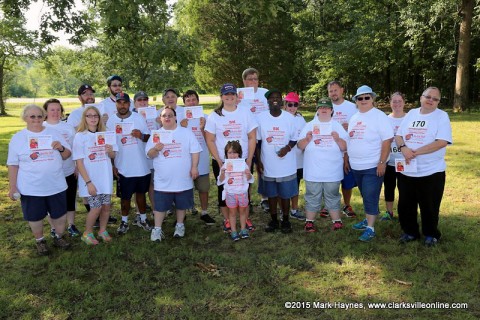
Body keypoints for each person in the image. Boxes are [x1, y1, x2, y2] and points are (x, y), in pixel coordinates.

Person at [7, 104, 71, 255]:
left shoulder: (54, 133)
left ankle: (58, 236)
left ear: (44, 117)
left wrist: (61, 148)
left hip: (56, 184)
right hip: (31, 187)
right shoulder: (18, 138)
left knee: (60, 216)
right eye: (32, 116)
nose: (36, 119)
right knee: (35, 217)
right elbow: (13, 164)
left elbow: (67, 155)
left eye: (39, 116)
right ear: (25, 118)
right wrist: (12, 187)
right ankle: (40, 241)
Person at [395, 87, 452, 246]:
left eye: (435, 99)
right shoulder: (412, 113)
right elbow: (398, 135)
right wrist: (404, 149)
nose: (431, 100)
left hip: (431, 171)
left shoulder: (441, 116)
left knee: (430, 206)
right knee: (406, 204)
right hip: (408, 169)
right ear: (421, 97)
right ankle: (410, 232)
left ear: (438, 102)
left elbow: (442, 141)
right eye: (428, 96)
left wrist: (416, 152)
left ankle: (431, 234)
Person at [205, 83, 258, 233]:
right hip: (223, 161)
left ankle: (245, 219)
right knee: (224, 189)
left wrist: (249, 159)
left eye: (232, 94)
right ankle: (228, 220)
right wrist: (220, 160)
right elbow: (210, 139)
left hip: (242, 161)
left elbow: (252, 137)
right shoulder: (214, 115)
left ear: (236, 96)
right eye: (226, 95)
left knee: (244, 190)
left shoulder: (245, 112)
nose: (229, 97)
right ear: (221, 97)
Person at [147, 106, 201, 241]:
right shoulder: (156, 134)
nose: (167, 118)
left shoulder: (186, 132)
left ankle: (180, 225)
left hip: (183, 178)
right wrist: (155, 149)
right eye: (164, 116)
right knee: (160, 207)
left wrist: (194, 167)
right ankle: (157, 229)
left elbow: (195, 151)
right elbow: (149, 154)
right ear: (160, 119)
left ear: (175, 117)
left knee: (181, 204)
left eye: (170, 115)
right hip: (163, 180)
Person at [348, 85, 394, 242]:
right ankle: (368, 219)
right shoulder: (354, 118)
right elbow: (351, 139)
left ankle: (371, 228)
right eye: (359, 98)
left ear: (372, 99)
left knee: (370, 195)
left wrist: (382, 162)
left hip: (373, 165)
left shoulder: (379, 116)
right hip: (356, 166)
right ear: (356, 101)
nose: (363, 100)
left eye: (366, 97)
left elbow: (387, 140)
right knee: (365, 194)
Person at [297, 98, 348, 232]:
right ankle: (309, 222)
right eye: (321, 107)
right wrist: (307, 139)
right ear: (317, 110)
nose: (324, 110)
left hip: (333, 171)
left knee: (332, 195)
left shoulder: (337, 126)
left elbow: (345, 147)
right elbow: (299, 145)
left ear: (331, 110)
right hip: (313, 170)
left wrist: (337, 139)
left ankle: (336, 221)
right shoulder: (309, 125)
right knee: (312, 195)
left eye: (326, 108)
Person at [106, 92, 152, 235]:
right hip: (123, 166)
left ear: (129, 104)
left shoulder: (138, 118)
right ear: (116, 104)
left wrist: (141, 135)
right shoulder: (111, 122)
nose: (122, 105)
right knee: (125, 198)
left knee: (141, 195)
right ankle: (124, 221)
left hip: (141, 165)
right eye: (119, 103)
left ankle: (143, 219)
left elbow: (149, 138)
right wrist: (113, 165)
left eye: (125, 102)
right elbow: (109, 145)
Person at [73, 106, 117, 245]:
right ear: (84, 118)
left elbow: (113, 155)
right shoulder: (80, 136)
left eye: (95, 116)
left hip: (105, 177)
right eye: (89, 116)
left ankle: (102, 230)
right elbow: (79, 162)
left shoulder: (106, 133)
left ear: (99, 118)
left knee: (106, 206)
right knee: (96, 207)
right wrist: (88, 182)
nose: (92, 118)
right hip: (90, 179)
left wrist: (110, 150)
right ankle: (87, 233)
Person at [256, 89, 298, 233]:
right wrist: (258, 162)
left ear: (282, 101)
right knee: (272, 194)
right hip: (268, 164)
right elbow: (257, 142)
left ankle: (285, 220)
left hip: (286, 164)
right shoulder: (260, 118)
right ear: (267, 101)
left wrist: (287, 148)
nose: (275, 99)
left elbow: (294, 138)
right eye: (271, 97)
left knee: (285, 194)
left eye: (278, 97)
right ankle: (273, 220)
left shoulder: (289, 118)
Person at [43, 99, 79, 237]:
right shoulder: (41, 127)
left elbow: (75, 148)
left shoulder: (67, 127)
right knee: (51, 201)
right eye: (52, 109)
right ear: (45, 112)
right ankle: (53, 227)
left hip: (68, 170)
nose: (56, 112)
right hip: (50, 173)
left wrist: (76, 166)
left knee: (70, 199)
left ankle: (71, 225)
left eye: (58, 109)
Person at [180, 90, 216, 225]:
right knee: (183, 187)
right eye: (188, 100)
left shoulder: (206, 118)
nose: (191, 102)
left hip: (201, 159)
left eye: (193, 99)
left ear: (198, 101)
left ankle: (204, 212)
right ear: (184, 103)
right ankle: (182, 215)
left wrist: (202, 128)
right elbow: (176, 141)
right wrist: (181, 128)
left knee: (203, 187)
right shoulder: (180, 119)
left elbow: (211, 140)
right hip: (184, 159)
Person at [237, 68, 270, 212]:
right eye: (250, 79)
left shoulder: (264, 93)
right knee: (246, 169)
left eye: (255, 79)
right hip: (245, 138)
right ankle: (247, 200)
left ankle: (265, 198)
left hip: (263, 137)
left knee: (262, 168)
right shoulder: (239, 95)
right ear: (244, 81)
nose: (253, 82)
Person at [327, 81, 358, 218]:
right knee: (330, 179)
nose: (333, 93)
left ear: (342, 90)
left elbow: (360, 126)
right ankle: (329, 205)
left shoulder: (352, 107)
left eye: (335, 90)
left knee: (347, 180)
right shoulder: (325, 107)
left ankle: (346, 205)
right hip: (330, 149)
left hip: (348, 149)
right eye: (330, 91)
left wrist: (350, 126)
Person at [217, 141, 254, 241]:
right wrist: (223, 174)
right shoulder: (225, 166)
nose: (232, 155)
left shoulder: (243, 164)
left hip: (242, 193)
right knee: (232, 213)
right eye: (229, 153)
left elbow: (251, 179)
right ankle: (233, 231)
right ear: (226, 154)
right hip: (231, 193)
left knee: (242, 212)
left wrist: (248, 174)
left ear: (239, 153)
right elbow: (219, 182)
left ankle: (243, 229)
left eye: (234, 152)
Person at [381, 92, 407, 221]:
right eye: (394, 101)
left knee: (404, 188)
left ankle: (404, 212)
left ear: (404, 102)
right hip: (389, 160)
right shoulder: (385, 119)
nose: (397, 104)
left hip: (404, 160)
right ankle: (389, 212)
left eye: (399, 101)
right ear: (390, 103)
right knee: (389, 187)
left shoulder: (409, 118)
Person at [133, 91, 158, 218]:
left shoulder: (154, 114)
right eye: (139, 100)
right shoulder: (130, 116)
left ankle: (155, 210)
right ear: (134, 102)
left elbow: (159, 133)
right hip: (137, 156)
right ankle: (138, 212)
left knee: (152, 184)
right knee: (139, 186)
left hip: (152, 155)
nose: (143, 102)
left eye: (145, 100)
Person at [283, 92, 306, 220]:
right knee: (285, 186)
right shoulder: (280, 117)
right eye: (289, 104)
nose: (292, 107)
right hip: (285, 159)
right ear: (285, 105)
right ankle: (284, 209)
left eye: (295, 105)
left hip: (298, 159)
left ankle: (294, 209)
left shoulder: (300, 119)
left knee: (296, 185)